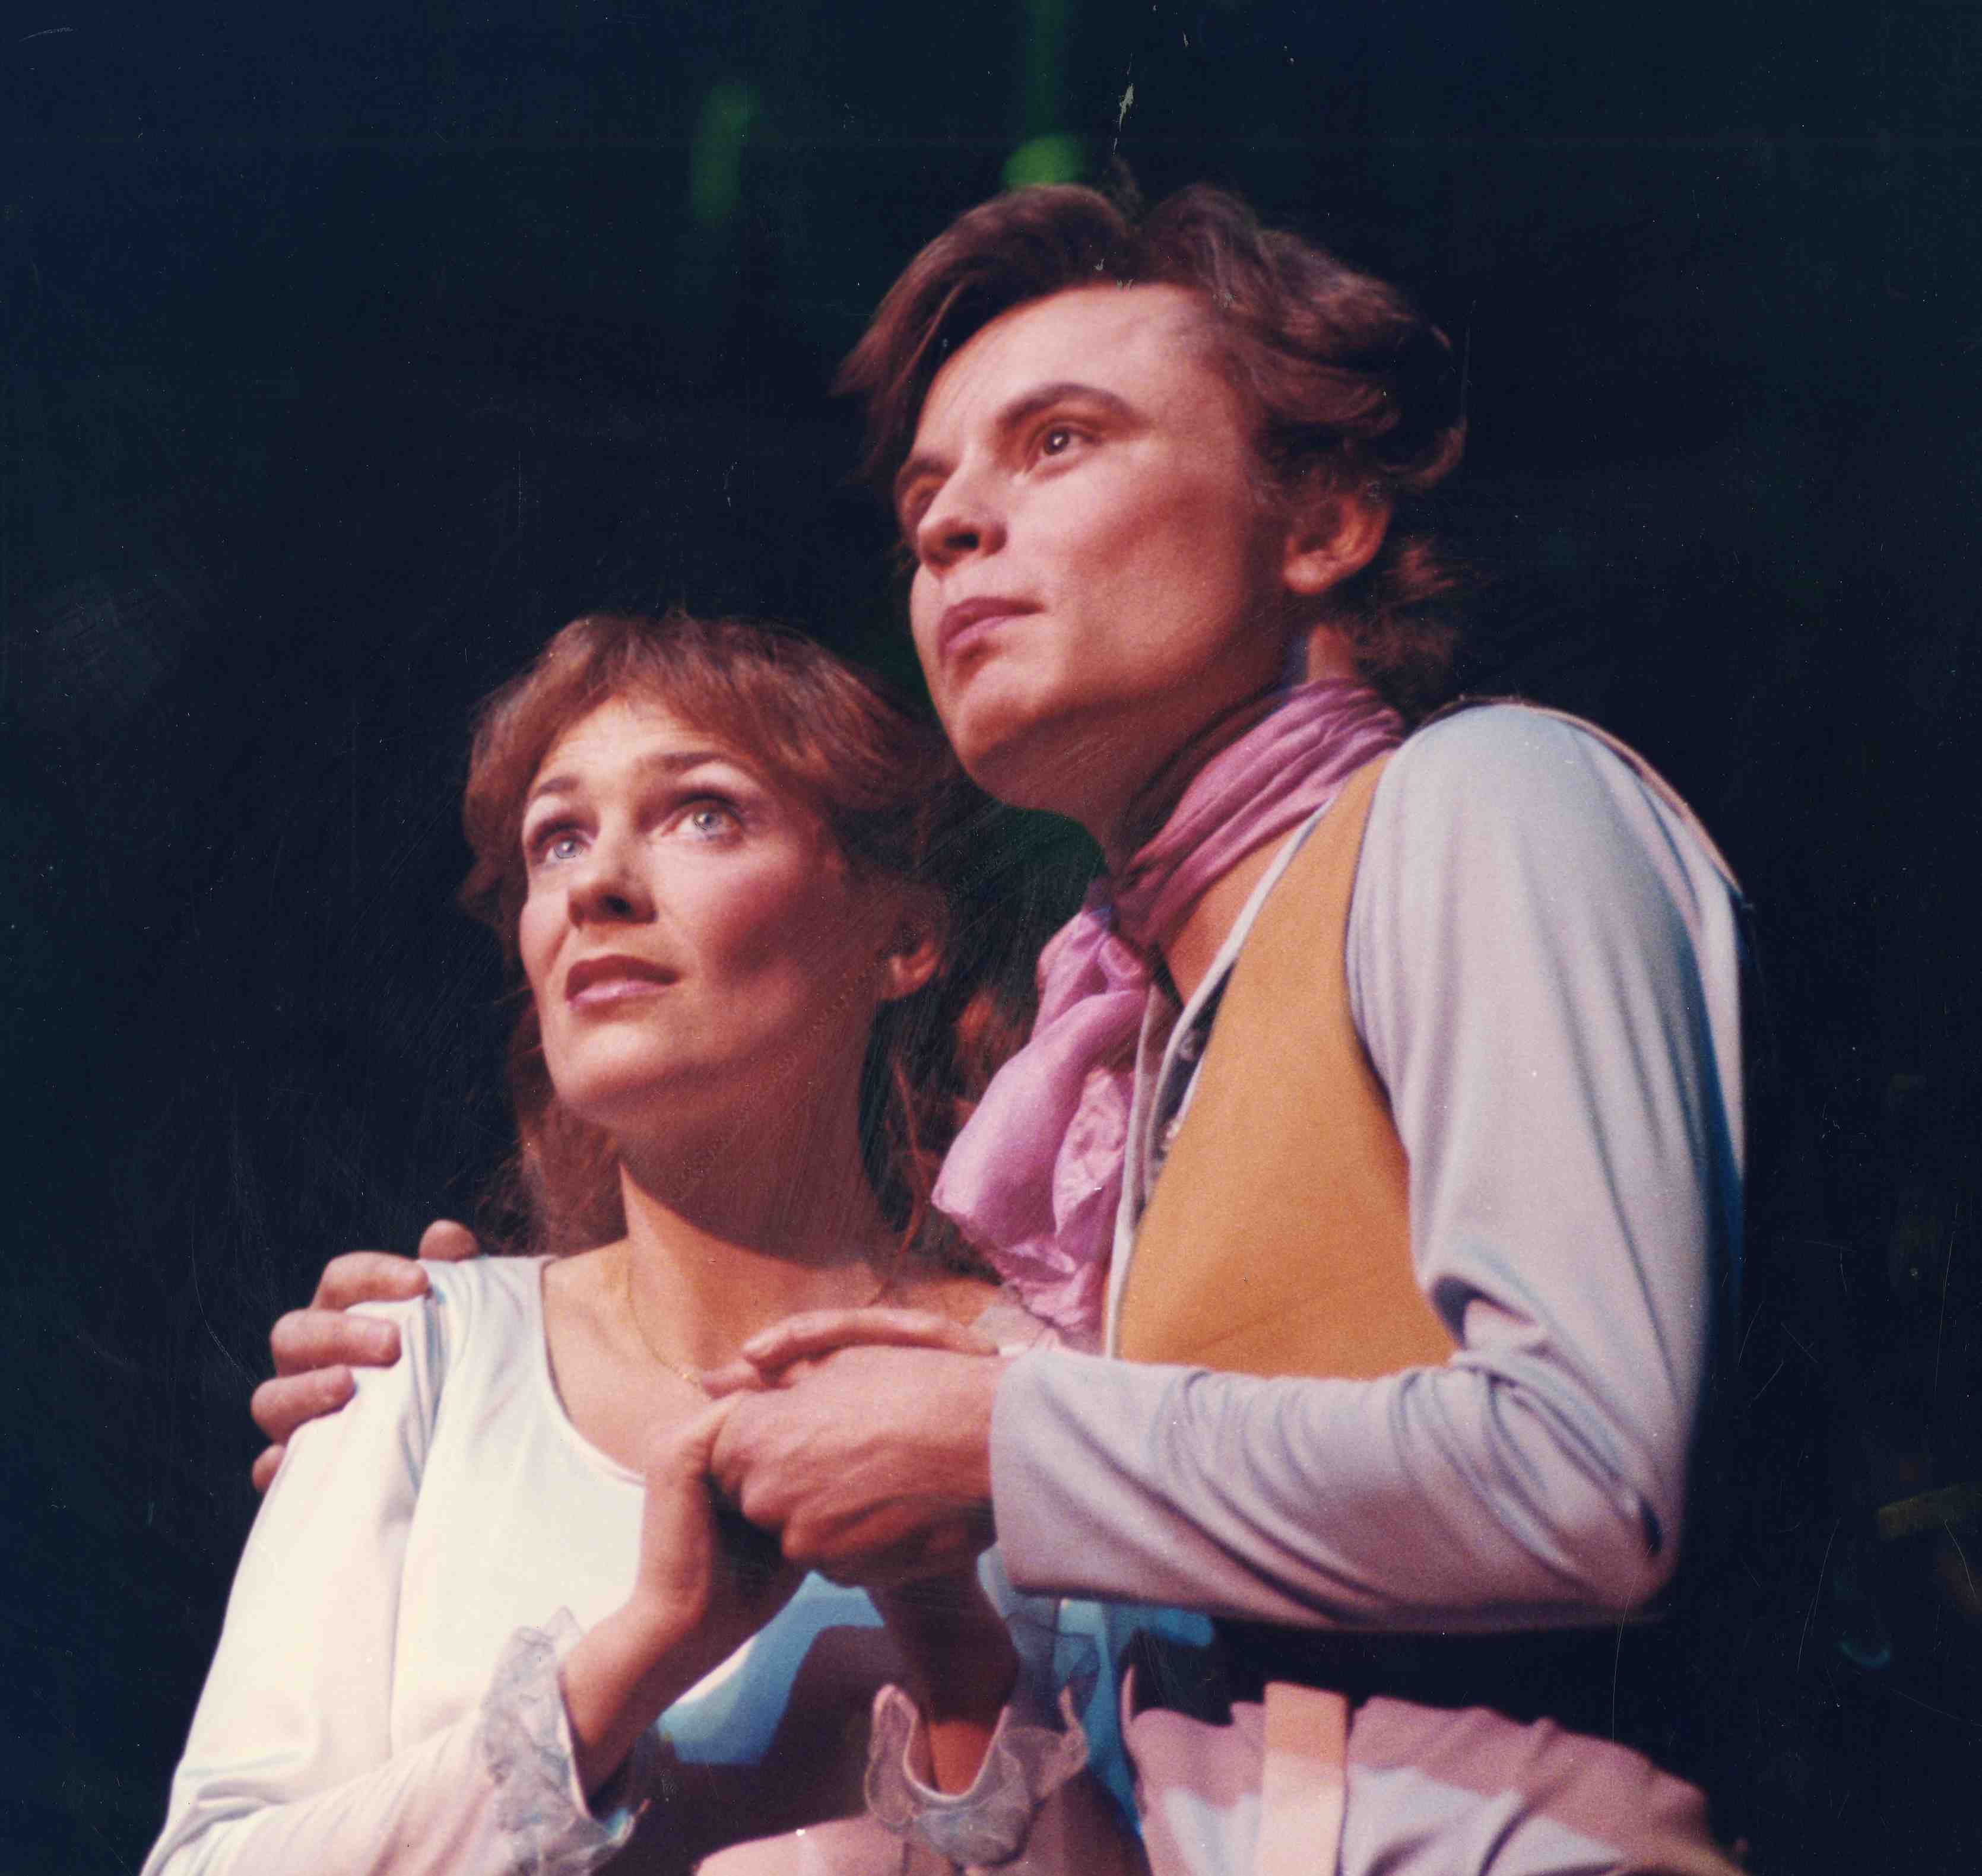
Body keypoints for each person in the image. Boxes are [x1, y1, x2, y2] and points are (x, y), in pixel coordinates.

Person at [256, 185, 1750, 1874]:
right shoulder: (1136, 1050)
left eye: (1056, 443)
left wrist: (995, 1447)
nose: (958, 525)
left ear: (1321, 519)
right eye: (926, 504)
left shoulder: (1485, 800)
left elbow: (1585, 1466)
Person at [145, 610, 1144, 1876]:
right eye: (558, 838)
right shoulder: (417, 1357)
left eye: (703, 814)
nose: (596, 886)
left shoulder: (1049, 1387)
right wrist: (642, 1650)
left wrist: (953, 1651)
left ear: (901, 938)